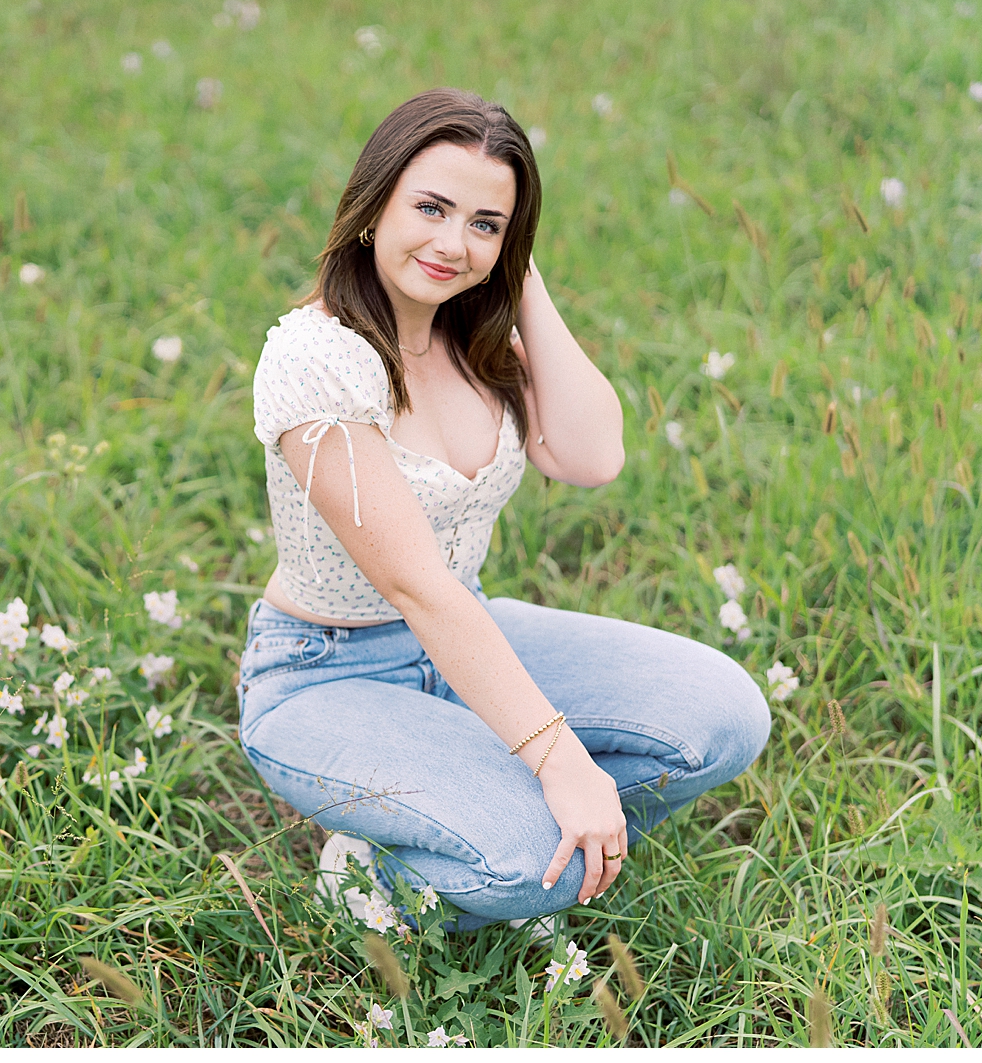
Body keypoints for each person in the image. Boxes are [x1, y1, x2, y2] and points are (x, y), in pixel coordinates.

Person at [239, 88, 770, 933]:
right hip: (328, 670)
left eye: (487, 223)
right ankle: (371, 864)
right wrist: (559, 758)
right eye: (433, 207)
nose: (455, 243)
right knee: (529, 863)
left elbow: (593, 458)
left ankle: (483, 791)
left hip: (467, 641)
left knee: (725, 717)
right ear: (374, 205)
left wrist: (520, 283)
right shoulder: (316, 359)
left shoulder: (474, 338)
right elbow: (420, 588)